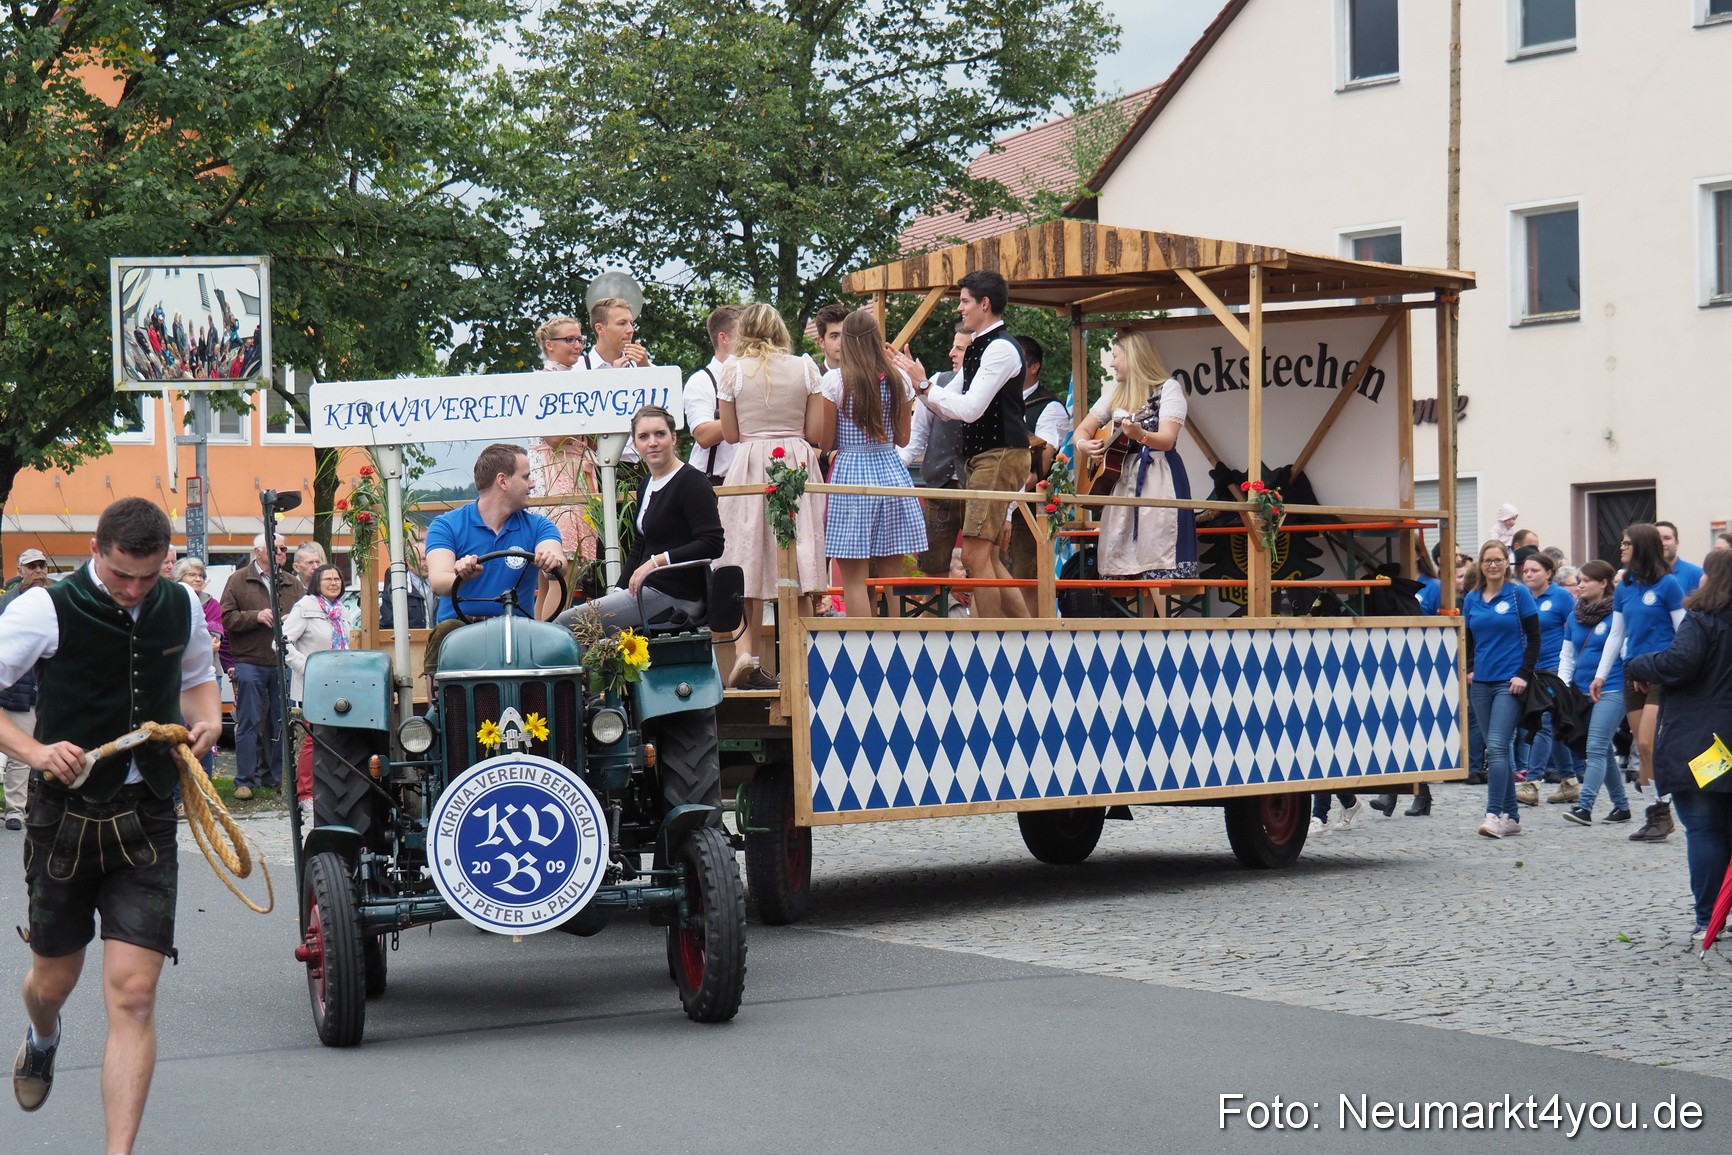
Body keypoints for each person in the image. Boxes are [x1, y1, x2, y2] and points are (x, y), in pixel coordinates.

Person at [0, 498, 219, 1150]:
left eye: (147, 577)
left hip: (147, 810)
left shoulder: (178, 604)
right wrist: (36, 750)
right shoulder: (43, 607)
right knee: (53, 982)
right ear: (97, 551)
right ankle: (42, 1035)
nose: (133, 590)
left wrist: (205, 722)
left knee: (134, 995)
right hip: (63, 815)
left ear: (164, 562)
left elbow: (201, 680)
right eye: (122, 574)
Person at [578, 407, 725, 815]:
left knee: (567, 626)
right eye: (643, 437)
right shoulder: (649, 483)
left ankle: (586, 710)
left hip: (677, 596)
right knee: (583, 617)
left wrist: (660, 562)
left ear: (674, 436)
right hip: (647, 592)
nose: (652, 443)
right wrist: (618, 590)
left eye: (659, 434)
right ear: (636, 443)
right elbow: (639, 548)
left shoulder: (691, 482)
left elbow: (712, 543)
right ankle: (602, 705)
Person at [893, 270, 1030, 619]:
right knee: (986, 557)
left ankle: (991, 640)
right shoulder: (982, 346)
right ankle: (1025, 631)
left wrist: (923, 385)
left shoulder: (999, 348)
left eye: (965, 301)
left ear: (985, 304)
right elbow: (945, 404)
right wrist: (917, 383)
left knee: (974, 556)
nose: (960, 309)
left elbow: (968, 410)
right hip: (987, 457)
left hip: (998, 455)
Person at [714, 303, 828, 688]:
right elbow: (814, 431)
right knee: (796, 551)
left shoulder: (732, 370)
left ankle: (748, 653)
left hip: (749, 464)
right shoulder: (806, 367)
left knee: (747, 551)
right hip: (794, 459)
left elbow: (730, 434)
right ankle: (797, 659)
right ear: (781, 330)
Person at [1623, 548, 1732, 949]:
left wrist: (1638, 666)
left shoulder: (1702, 620)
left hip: (1704, 742)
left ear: (1713, 578)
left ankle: (1709, 919)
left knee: (1704, 829)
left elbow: (1678, 663)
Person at [1071, 328, 1198, 604]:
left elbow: (1166, 440)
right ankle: (1136, 633)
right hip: (1121, 484)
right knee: (1127, 566)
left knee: (1157, 561)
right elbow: (1081, 431)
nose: (1112, 363)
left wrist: (1140, 434)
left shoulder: (1168, 389)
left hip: (1157, 480)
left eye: (1116, 356)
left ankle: (1166, 635)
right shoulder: (1115, 393)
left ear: (1134, 357)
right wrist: (1086, 447)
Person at [817, 309, 926, 617]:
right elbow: (903, 439)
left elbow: (826, 443)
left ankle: (862, 655)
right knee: (893, 578)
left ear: (848, 342)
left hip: (851, 473)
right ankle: (901, 649)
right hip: (891, 470)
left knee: (853, 579)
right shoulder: (899, 379)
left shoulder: (835, 381)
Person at [423, 444, 568, 674]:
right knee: (446, 633)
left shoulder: (539, 526)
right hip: (461, 630)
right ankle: (441, 705)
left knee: (558, 644)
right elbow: (439, 582)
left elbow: (556, 558)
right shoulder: (447, 525)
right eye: (526, 477)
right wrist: (461, 577)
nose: (532, 484)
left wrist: (552, 563)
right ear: (503, 481)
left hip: (517, 630)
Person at [1596, 523, 1688, 842]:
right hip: (1632, 672)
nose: (1620, 548)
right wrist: (1600, 674)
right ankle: (1656, 815)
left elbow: (1684, 634)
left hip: (1662, 671)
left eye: (1627, 544)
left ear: (1643, 547)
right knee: (1642, 750)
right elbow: (1617, 634)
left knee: (1649, 744)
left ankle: (1664, 808)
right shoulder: (1624, 586)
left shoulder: (1668, 585)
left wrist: (1664, 668)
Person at [1463, 538, 1540, 839]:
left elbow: (1535, 638)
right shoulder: (1471, 598)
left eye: (1498, 560)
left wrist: (1524, 673)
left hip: (1510, 683)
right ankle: (1513, 816)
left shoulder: (1519, 594)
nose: (1493, 565)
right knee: (1497, 750)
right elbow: (1467, 639)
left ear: (1507, 563)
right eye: (1487, 561)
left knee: (1496, 746)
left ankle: (1494, 814)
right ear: (1480, 565)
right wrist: (1469, 669)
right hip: (1480, 683)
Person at [219, 533, 300, 801]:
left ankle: (276, 777)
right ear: (258, 551)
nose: (281, 553)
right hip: (249, 661)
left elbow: (305, 615)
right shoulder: (238, 580)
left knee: (281, 723)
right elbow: (226, 618)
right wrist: (256, 616)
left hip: (282, 662)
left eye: (284, 549)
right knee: (249, 722)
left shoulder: (291, 582)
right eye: (276, 549)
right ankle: (245, 780)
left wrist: (293, 620)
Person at [1556, 560, 1633, 826]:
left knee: (1596, 747)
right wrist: (1562, 687)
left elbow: (1623, 652)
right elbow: (1567, 655)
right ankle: (1622, 807)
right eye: (1578, 580)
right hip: (1581, 691)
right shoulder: (1574, 615)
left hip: (1612, 687)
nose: (1580, 585)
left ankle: (1584, 807)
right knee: (1602, 751)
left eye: (1585, 580)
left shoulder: (1618, 614)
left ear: (1603, 583)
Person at [902, 327, 971, 590]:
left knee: (980, 568)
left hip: (975, 487)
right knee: (933, 569)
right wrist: (898, 465)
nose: (951, 353)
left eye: (960, 349)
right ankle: (935, 630)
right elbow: (917, 433)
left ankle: (983, 630)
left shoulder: (992, 386)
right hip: (938, 487)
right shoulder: (938, 380)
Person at [526, 314, 596, 555]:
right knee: (561, 559)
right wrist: (588, 412)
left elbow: (593, 442)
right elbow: (554, 439)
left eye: (580, 339)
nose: (577, 346)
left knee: (567, 564)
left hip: (577, 469)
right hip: (552, 470)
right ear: (550, 344)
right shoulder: (541, 380)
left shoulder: (578, 380)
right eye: (569, 340)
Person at [1512, 551, 1576, 806]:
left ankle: (1532, 782)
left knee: (1544, 721)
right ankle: (1570, 782)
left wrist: (1569, 670)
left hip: (1553, 667)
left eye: (1534, 571)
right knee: (1552, 724)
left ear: (1548, 573)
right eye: (1525, 571)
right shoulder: (1520, 596)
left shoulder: (1561, 596)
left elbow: (1574, 629)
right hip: (1529, 668)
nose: (1528, 575)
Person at [0, 555, 52, 830]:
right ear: (20, 570)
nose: (38, 570)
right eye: (33, 566)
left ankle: (16, 810)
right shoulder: (7, 602)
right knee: (13, 751)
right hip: (11, 688)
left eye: (42, 566)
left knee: (25, 755)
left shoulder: (57, 600)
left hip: (39, 691)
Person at [172, 557, 225, 796]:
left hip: (206, 674)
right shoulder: (171, 599)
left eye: (200, 575)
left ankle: (204, 790)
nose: (197, 579)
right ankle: (177, 794)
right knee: (176, 737)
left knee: (205, 734)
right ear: (178, 578)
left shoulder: (210, 603)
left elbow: (214, 639)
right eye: (191, 575)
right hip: (176, 678)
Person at [684, 305, 742, 485]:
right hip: (713, 484)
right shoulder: (701, 381)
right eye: (745, 335)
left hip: (749, 482)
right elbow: (703, 435)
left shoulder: (756, 376)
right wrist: (749, 413)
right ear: (724, 338)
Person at [378, 523, 431, 630]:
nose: (424, 544)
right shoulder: (396, 574)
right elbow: (389, 616)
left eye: (427, 540)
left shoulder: (439, 575)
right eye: (419, 540)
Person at [1657, 520, 1704, 594]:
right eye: (1657, 539)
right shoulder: (1643, 576)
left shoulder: (1696, 574)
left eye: (1667, 538)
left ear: (1677, 543)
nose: (1662, 543)